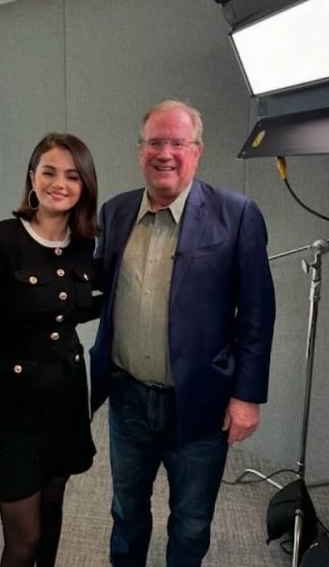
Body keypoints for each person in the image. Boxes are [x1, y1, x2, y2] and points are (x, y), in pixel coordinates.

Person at [90, 100, 276, 567]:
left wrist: (246, 397)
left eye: (177, 142)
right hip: (128, 400)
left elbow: (257, 314)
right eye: (155, 142)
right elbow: (93, 293)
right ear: (140, 151)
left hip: (200, 404)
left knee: (191, 521)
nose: (165, 153)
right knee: (126, 511)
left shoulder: (237, 214)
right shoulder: (115, 213)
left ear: (197, 150)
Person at [0, 132, 100, 567]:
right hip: (12, 411)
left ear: (85, 185)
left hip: (65, 404)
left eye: (72, 176)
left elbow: (72, 309)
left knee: (52, 515)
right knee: (25, 541)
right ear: (32, 177)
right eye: (49, 172)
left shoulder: (84, 245)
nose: (60, 184)